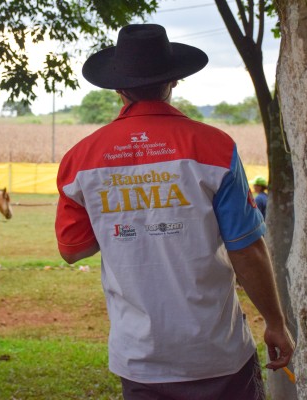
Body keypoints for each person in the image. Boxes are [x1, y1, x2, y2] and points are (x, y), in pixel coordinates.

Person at [55, 24, 294, 400]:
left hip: (139, 360)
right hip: (218, 355)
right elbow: (246, 248)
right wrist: (276, 323)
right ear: (174, 82)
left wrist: (123, 215)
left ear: (119, 88)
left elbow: (73, 249)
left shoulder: (80, 159)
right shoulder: (216, 148)